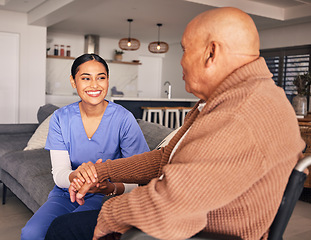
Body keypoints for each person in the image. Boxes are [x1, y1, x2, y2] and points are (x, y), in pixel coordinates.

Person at [45, 7, 305, 240]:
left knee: (62, 229)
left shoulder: (241, 113)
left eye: (184, 50)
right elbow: (162, 159)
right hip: (193, 219)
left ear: (211, 53)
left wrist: (110, 214)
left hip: (204, 232)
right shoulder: (229, 98)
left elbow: (173, 201)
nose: (180, 62)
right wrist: (103, 172)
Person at [21, 54, 150, 240]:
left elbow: (140, 176)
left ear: (107, 80)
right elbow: (59, 174)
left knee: (69, 230)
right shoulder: (60, 118)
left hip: (106, 195)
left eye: (101, 77)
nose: (94, 85)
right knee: (31, 233)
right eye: (86, 78)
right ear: (73, 82)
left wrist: (108, 187)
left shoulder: (124, 119)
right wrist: (79, 176)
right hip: (66, 193)